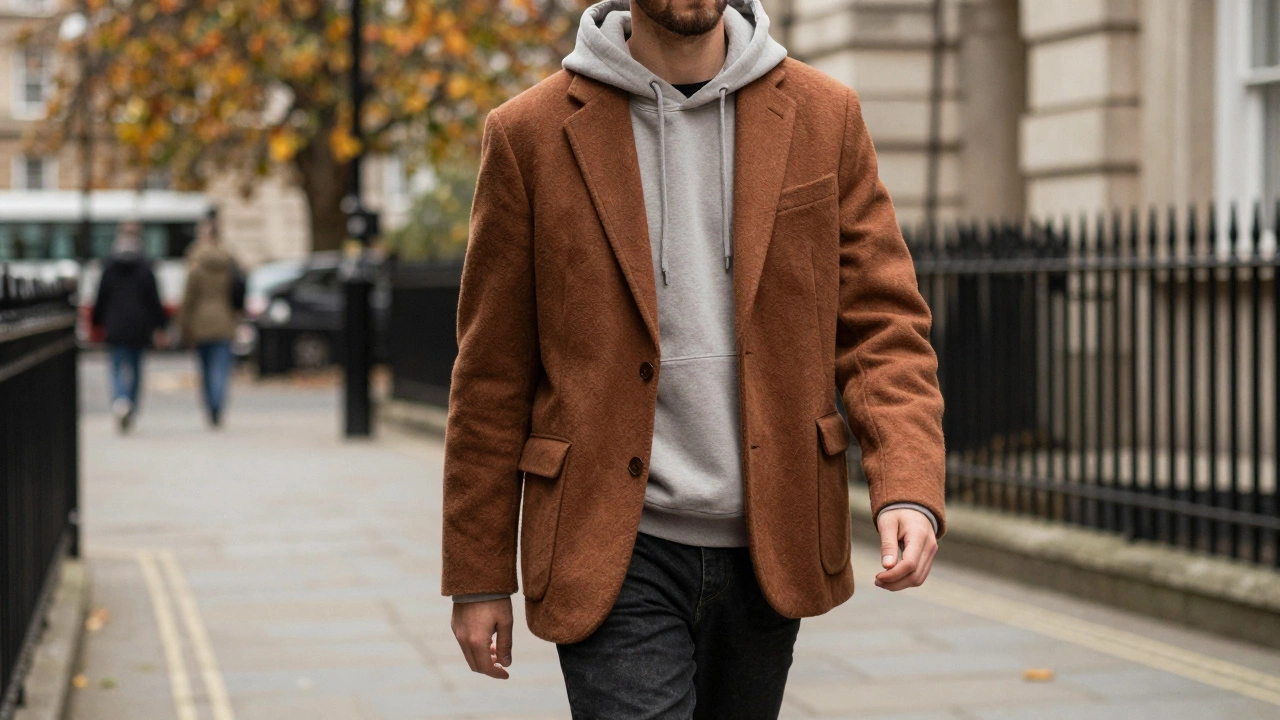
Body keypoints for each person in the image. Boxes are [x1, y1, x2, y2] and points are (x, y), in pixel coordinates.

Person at [443, 0, 946, 716]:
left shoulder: (823, 115)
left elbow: (883, 325)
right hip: (612, 545)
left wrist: (908, 483)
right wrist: (477, 573)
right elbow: (491, 374)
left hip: (770, 538)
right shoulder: (528, 134)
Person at [92, 221, 168, 433]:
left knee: (116, 367)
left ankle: (120, 400)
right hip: (139, 325)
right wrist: (160, 325)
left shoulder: (109, 265)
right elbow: (154, 299)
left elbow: (101, 297)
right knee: (135, 369)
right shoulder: (145, 266)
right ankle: (130, 405)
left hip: (115, 324)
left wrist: (96, 322)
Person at [178, 209, 240, 428]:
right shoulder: (228, 260)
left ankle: (210, 407)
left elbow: (188, 298)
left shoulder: (195, 262)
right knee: (221, 368)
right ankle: (218, 406)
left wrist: (184, 325)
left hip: (200, 322)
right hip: (225, 319)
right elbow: (238, 291)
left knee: (205, 369)